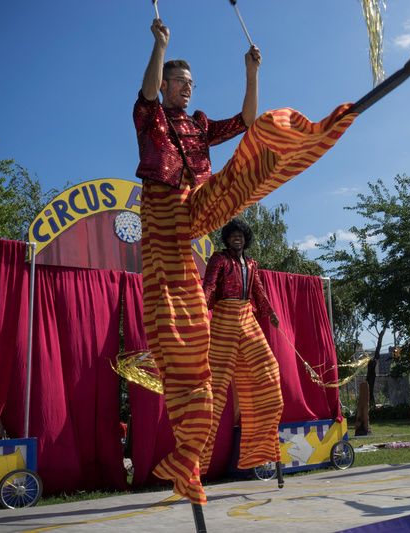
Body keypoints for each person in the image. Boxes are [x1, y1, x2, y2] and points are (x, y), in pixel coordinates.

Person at [133, 18, 355, 505]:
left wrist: (251, 73)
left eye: (191, 84)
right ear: (167, 84)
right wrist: (159, 45)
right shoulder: (150, 115)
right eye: (181, 83)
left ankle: (308, 138)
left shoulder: (198, 124)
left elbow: (245, 122)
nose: (188, 90)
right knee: (185, 336)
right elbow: (147, 91)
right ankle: (186, 457)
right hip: (162, 208)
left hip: (197, 203)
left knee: (250, 159)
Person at [199, 219, 282, 475]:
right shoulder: (219, 259)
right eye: (233, 236)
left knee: (270, 374)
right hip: (224, 318)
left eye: (241, 236)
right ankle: (196, 464)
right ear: (227, 239)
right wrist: (201, 306)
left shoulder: (252, 263)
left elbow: (258, 291)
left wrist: (269, 313)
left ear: (246, 239)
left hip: (247, 317)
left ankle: (260, 451)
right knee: (214, 389)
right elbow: (210, 284)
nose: (237, 239)